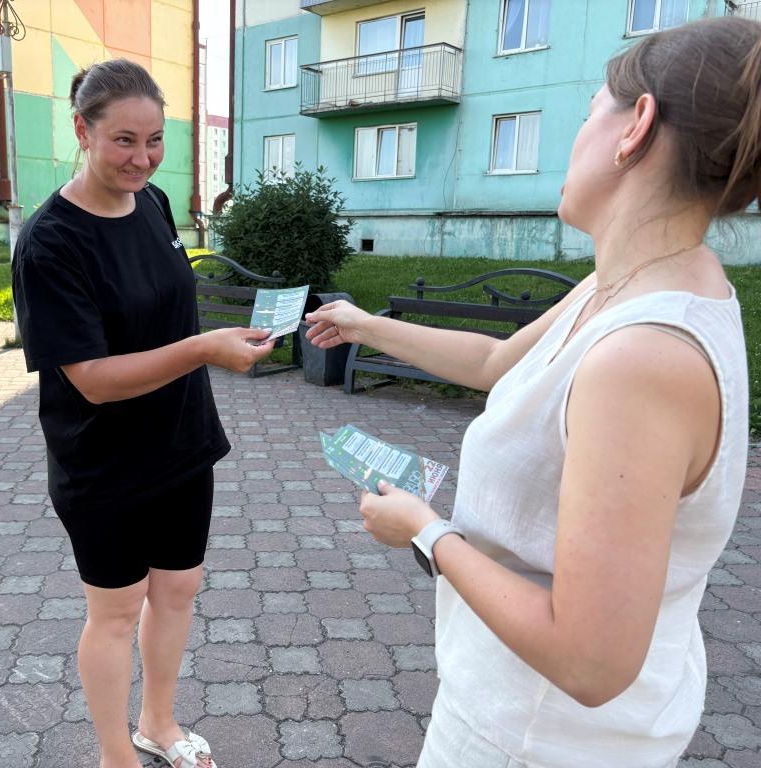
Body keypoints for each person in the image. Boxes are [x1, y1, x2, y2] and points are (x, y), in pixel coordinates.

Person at [306, 16, 756, 768]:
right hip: (523, 716)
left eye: (587, 113)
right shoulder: (631, 284)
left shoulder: (641, 357)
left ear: (635, 125)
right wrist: (363, 325)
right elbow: (496, 361)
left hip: (535, 739)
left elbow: (590, 661)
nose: (574, 139)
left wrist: (425, 531)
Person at [11, 59, 274, 768]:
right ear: (82, 131)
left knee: (179, 590)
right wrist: (205, 348)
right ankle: (114, 756)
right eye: (123, 140)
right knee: (117, 611)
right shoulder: (50, 242)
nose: (142, 158)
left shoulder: (153, 203)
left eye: (154, 140)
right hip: (103, 462)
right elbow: (92, 381)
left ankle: (158, 723)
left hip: (181, 444)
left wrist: (217, 342)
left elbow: (161, 309)